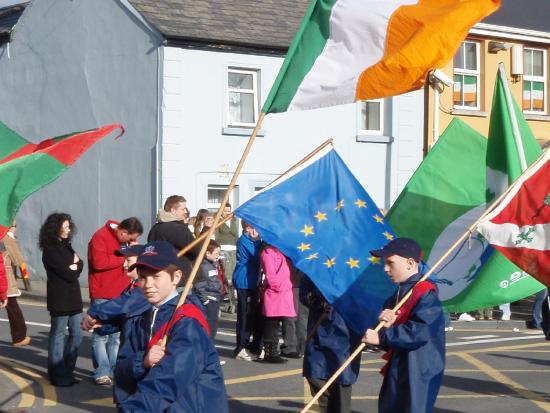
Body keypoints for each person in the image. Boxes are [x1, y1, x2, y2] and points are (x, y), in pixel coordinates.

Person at [113, 241, 228, 412]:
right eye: (143, 277)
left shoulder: (187, 322)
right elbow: (121, 371)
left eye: (156, 276)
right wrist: (142, 361)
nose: (148, 284)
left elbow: (169, 379)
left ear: (176, 277)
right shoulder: (142, 317)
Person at [363, 237, 445, 413]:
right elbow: (392, 321)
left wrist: (383, 336)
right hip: (401, 362)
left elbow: (421, 331)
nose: (385, 268)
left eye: (390, 263)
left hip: (418, 367)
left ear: (409, 263)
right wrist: (385, 323)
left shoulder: (424, 292)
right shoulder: (402, 289)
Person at [88, 217, 143, 385]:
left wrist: (135, 250)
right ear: (122, 232)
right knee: (101, 334)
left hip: (122, 290)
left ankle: (114, 369)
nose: (132, 241)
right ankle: (102, 371)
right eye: (131, 238)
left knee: (116, 337)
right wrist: (124, 258)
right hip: (103, 291)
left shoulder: (127, 239)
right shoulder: (100, 236)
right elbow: (99, 262)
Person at [301, 276, 361, 413]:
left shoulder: (352, 269)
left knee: (342, 380)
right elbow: (304, 293)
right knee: (314, 374)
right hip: (319, 327)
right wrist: (318, 301)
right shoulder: (315, 264)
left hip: (345, 332)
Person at [39, 213, 84, 387]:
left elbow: (80, 265)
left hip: (74, 298)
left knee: (77, 334)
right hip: (60, 299)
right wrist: (73, 267)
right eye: (64, 226)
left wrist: (74, 266)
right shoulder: (50, 250)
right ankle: (57, 374)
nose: (68, 229)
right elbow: (67, 273)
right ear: (55, 228)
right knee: (57, 336)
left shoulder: (66, 246)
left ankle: (67, 370)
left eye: (68, 226)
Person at [259, 245, 296, 363]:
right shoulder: (268, 253)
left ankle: (273, 352)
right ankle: (270, 353)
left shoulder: (279, 251)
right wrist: (278, 286)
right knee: (272, 324)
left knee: (276, 324)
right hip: (276, 293)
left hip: (283, 292)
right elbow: (270, 274)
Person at [232, 221, 262, 361]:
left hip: (252, 281)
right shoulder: (244, 241)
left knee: (253, 316)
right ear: (249, 228)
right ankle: (240, 347)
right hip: (245, 281)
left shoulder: (250, 240)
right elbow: (257, 257)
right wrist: (257, 241)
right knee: (245, 316)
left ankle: (252, 345)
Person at [148, 195, 197, 276]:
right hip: (177, 275)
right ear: (173, 210)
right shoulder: (178, 228)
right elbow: (195, 250)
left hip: (158, 274)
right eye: (183, 209)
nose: (185, 212)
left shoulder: (155, 228)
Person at [0, 227, 31, 346]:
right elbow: (18, 260)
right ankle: (19, 337)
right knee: (14, 311)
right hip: (5, 280)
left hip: (4, 279)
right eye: (15, 227)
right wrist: (12, 237)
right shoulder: (6, 238)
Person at [193, 240, 223, 339]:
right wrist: (205, 300)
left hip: (214, 298)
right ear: (207, 253)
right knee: (210, 326)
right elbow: (199, 285)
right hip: (209, 299)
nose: (218, 256)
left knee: (213, 325)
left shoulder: (212, 264)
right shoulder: (203, 266)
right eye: (216, 253)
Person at [215, 203, 239, 282]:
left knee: (233, 270)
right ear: (221, 211)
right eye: (225, 211)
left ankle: (232, 290)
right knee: (226, 272)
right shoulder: (218, 220)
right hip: (223, 248)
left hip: (233, 249)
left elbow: (236, 234)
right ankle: (227, 290)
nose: (227, 213)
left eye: (229, 211)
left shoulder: (233, 220)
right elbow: (216, 236)